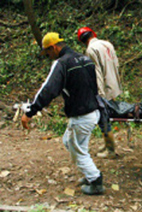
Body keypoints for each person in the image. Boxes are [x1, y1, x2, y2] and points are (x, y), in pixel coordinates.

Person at [21, 32, 105, 195]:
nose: (49, 57)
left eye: (48, 53)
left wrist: (30, 111)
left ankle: (95, 180)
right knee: (71, 142)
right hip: (93, 111)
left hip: (81, 115)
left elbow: (48, 90)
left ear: (53, 47)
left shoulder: (62, 63)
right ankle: (89, 175)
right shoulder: (85, 59)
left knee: (75, 147)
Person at [77, 27, 122, 159]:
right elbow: (117, 65)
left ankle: (110, 149)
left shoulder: (90, 50)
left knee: (103, 118)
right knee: (108, 117)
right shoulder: (107, 44)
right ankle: (108, 143)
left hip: (104, 88)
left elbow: (96, 73)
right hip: (114, 86)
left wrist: (99, 94)